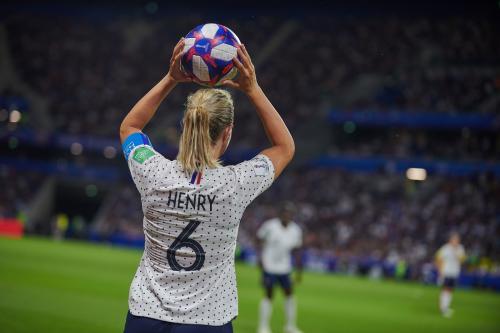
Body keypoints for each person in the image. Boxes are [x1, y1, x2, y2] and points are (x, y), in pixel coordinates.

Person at [119, 38, 295, 333]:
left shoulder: (152, 172)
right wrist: (252, 89)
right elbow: (284, 147)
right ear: (227, 133)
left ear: (186, 126)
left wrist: (170, 79)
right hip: (207, 321)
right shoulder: (235, 184)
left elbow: (130, 127)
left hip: (146, 316)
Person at [256, 202, 303, 333]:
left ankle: (290, 326)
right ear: (280, 214)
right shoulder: (270, 226)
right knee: (269, 294)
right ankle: (263, 326)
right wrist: (259, 258)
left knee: (289, 294)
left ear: (292, 216)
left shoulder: (295, 230)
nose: (287, 215)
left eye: (289, 214)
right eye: (285, 213)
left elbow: (297, 250)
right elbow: (259, 240)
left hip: (285, 267)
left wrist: (299, 271)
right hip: (269, 265)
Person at [435, 232, 466, 318]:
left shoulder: (460, 248)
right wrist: (440, 271)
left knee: (450, 290)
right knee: (445, 289)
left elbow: (462, 260)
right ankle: (443, 308)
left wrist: (456, 252)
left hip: (455, 272)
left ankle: (446, 307)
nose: (455, 241)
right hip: (446, 272)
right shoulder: (445, 248)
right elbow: (438, 259)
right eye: (454, 239)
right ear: (450, 240)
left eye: (457, 240)